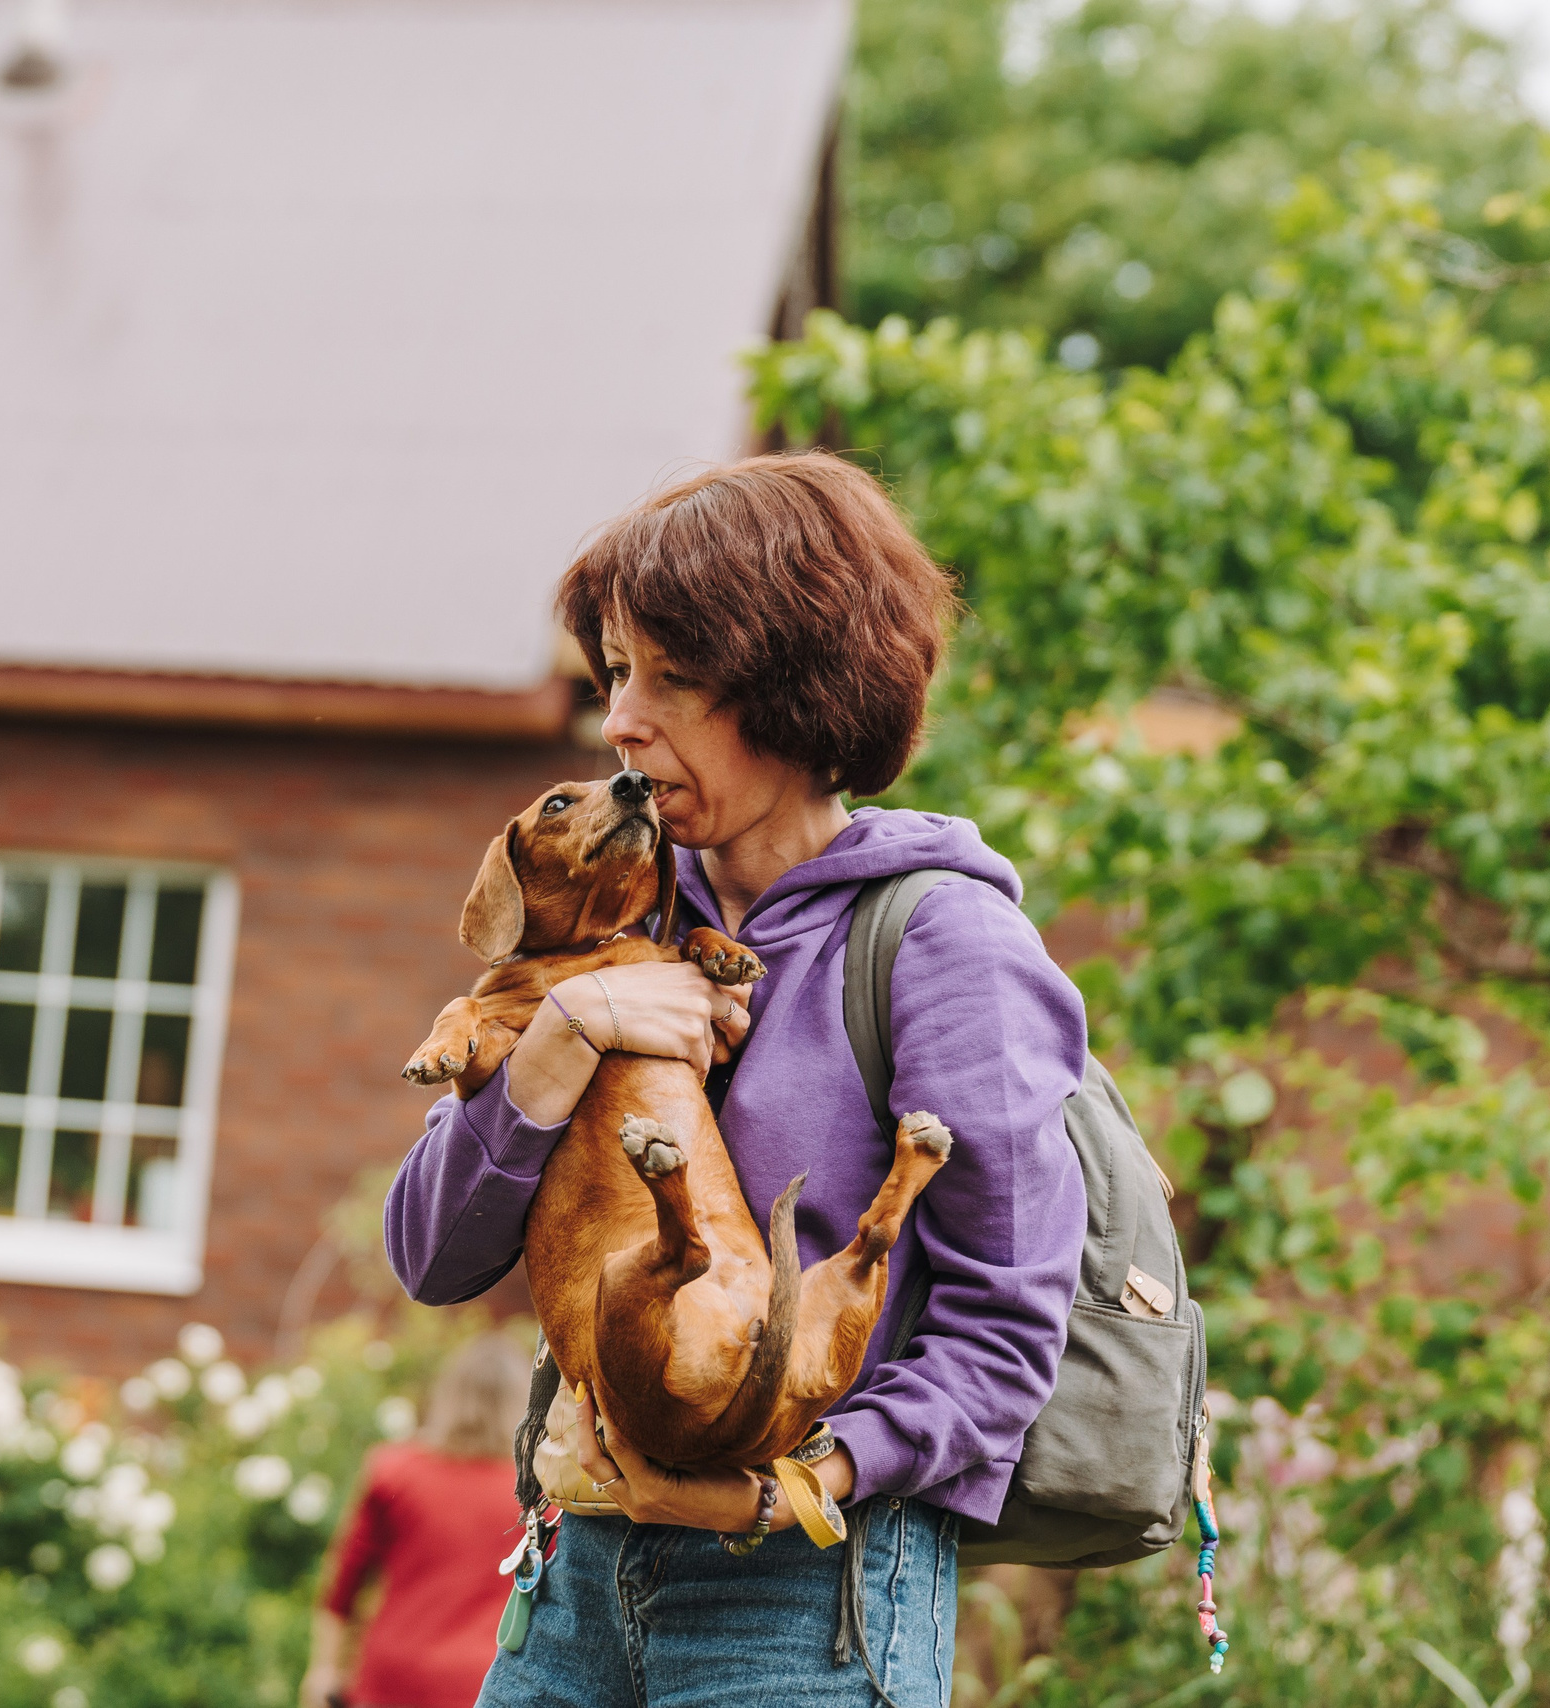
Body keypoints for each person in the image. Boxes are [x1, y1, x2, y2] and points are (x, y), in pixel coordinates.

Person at [382, 453, 1090, 1707]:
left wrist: (786, 1488)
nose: (620, 720)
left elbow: (1002, 1332)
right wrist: (562, 1037)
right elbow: (432, 1258)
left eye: (673, 677)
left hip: (806, 1600)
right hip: (571, 1571)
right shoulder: (606, 924)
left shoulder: (941, 946)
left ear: (799, 689)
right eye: (612, 673)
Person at [300, 1332, 535, 1708]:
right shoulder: (536, 1496)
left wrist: (324, 1669)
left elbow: (343, 1587)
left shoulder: (395, 1471)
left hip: (390, 1679)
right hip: (483, 1682)